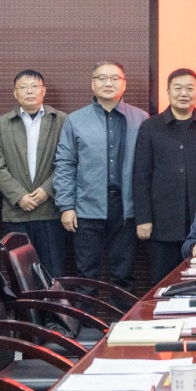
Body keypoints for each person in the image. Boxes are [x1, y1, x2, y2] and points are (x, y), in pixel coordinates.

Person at [54, 61, 148, 295]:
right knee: (86, 275)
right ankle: (85, 319)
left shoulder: (141, 118)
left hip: (127, 208)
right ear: (92, 84)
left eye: (115, 78)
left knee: (124, 275)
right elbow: (65, 164)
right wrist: (66, 206)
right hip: (87, 207)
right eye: (102, 78)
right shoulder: (75, 120)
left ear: (124, 84)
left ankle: (123, 316)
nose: (109, 83)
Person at [134, 68, 196, 282]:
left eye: (190, 88)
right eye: (178, 88)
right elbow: (141, 175)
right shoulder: (150, 127)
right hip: (162, 223)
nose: (184, 93)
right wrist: (143, 218)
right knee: (162, 282)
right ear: (168, 92)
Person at [0, 69, 68, 276]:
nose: (29, 91)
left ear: (44, 90)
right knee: (20, 275)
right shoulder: (1, 124)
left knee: (54, 272)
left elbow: (68, 162)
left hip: (51, 211)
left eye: (34, 86)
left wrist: (47, 190)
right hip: (16, 213)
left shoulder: (61, 120)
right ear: (15, 93)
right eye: (23, 87)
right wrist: (19, 196)